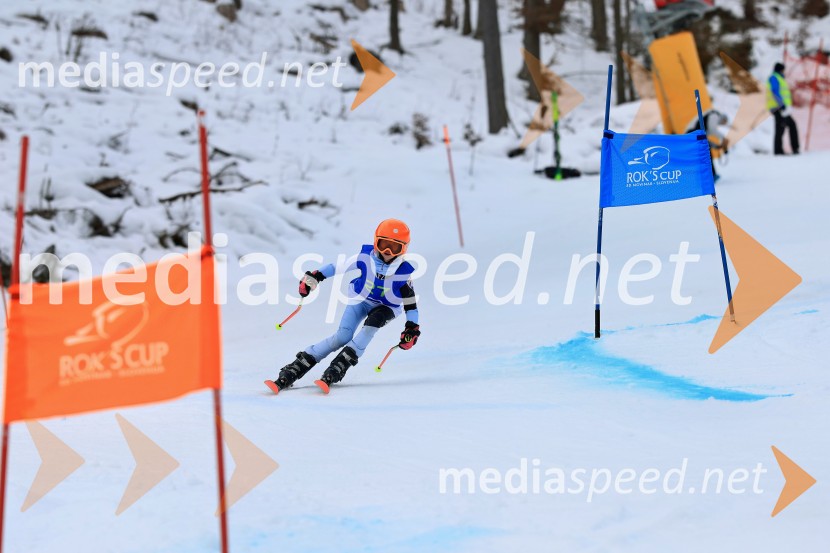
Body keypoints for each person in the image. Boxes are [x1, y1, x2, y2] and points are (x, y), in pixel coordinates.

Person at [266, 219, 421, 394]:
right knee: (342, 336)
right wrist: (315, 276)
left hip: (387, 307)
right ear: (375, 242)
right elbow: (338, 267)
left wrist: (412, 328)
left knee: (373, 324)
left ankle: (340, 365)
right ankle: (298, 366)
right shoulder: (365, 258)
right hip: (360, 299)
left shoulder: (403, 273)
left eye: (395, 248)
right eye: (383, 244)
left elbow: (411, 305)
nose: (387, 252)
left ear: (403, 249)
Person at [686, 109, 729, 183]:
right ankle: (711, 176)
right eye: (724, 122)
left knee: (703, 154)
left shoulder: (708, 120)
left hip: (693, 134)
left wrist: (716, 146)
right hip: (693, 133)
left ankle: (709, 175)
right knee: (706, 154)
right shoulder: (714, 115)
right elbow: (712, 130)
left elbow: (706, 138)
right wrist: (723, 138)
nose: (722, 124)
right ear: (723, 118)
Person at [766, 62, 800, 155]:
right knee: (781, 128)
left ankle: (792, 149)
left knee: (789, 126)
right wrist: (781, 104)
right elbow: (775, 91)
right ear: (780, 70)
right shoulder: (774, 78)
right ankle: (779, 151)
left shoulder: (779, 78)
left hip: (781, 108)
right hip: (778, 107)